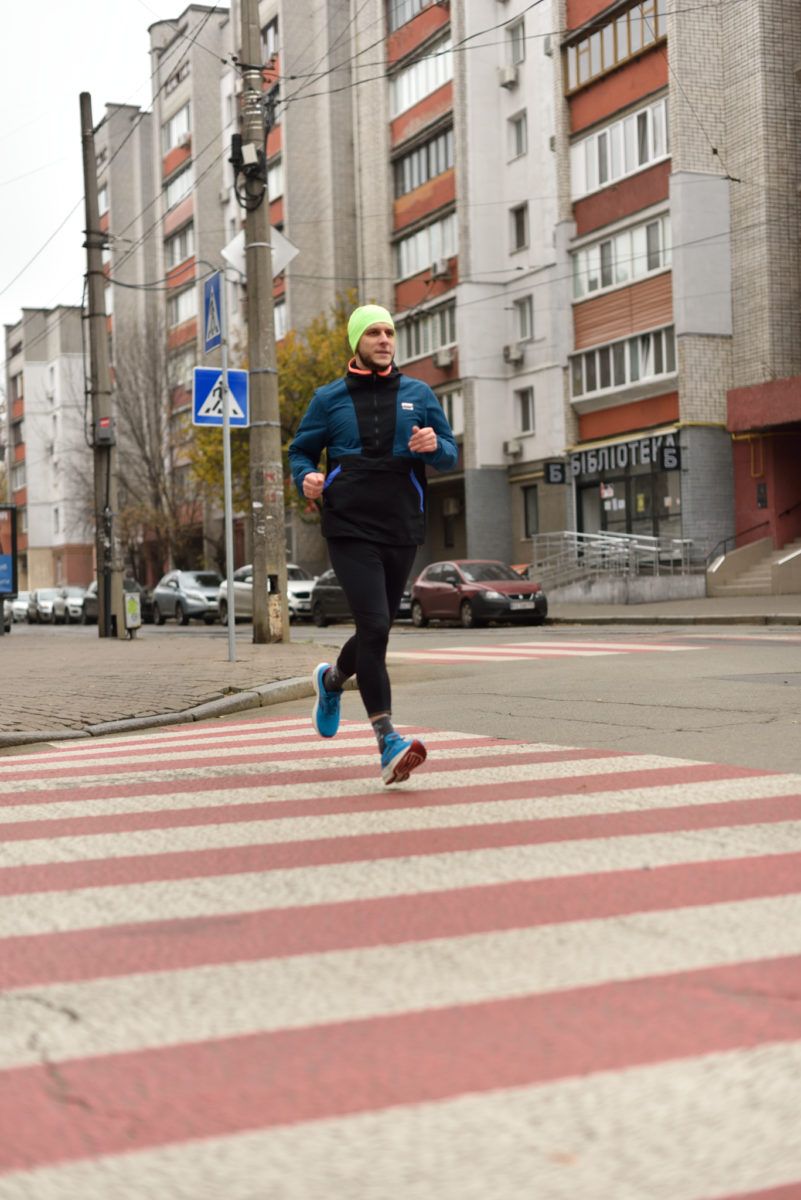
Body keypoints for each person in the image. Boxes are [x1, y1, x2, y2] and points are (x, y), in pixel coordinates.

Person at [288, 304, 458, 784]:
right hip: (349, 525)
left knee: (374, 630)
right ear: (356, 341)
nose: (385, 339)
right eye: (375, 332)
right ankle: (387, 739)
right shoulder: (329, 399)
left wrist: (434, 447)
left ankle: (331, 681)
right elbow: (300, 449)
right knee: (376, 625)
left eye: (389, 331)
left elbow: (449, 452)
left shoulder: (419, 394)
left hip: (402, 524)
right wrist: (308, 477)